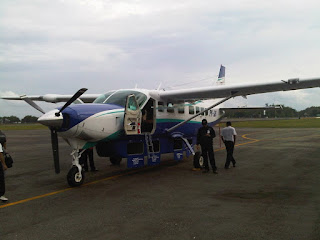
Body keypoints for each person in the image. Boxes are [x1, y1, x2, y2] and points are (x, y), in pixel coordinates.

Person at [0, 130, 8, 202]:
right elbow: (5, 146)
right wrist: (4, 164)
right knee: (1, 178)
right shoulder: (3, 134)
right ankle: (1, 194)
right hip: (2, 155)